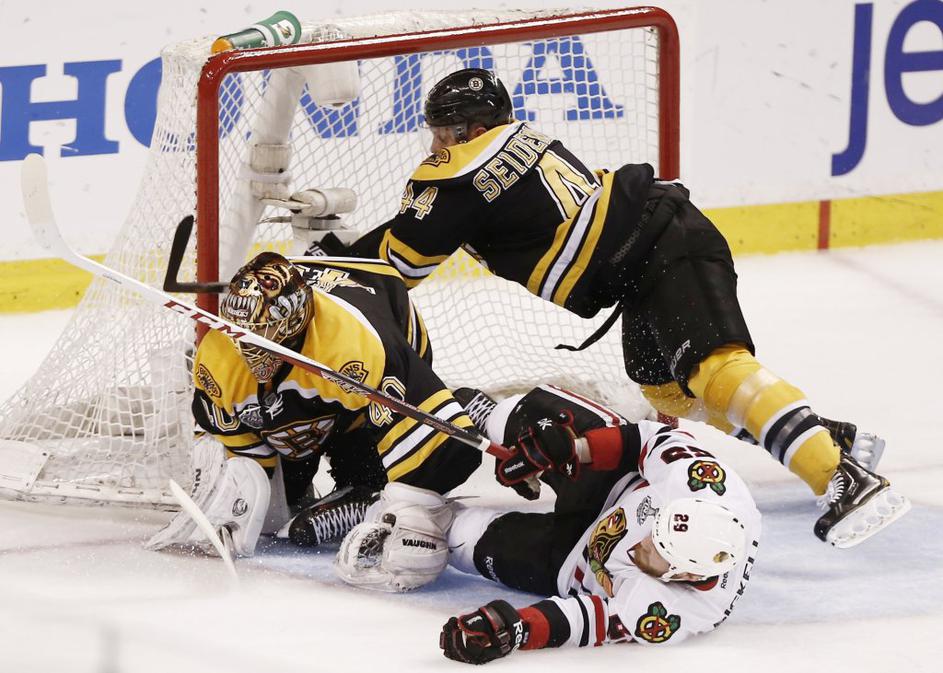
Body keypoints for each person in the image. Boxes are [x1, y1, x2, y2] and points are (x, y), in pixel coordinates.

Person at [337, 68, 909, 547]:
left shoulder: (460, 173)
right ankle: (820, 435)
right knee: (669, 393)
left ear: (475, 129)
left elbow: (397, 264)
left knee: (716, 372)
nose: (437, 144)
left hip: (663, 249)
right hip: (646, 259)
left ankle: (840, 476)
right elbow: (431, 229)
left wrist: (328, 265)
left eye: (445, 132)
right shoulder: (514, 143)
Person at [333, 385, 760, 661]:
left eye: (655, 552)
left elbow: (586, 620)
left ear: (685, 576)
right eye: (654, 531)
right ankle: (492, 416)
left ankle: (368, 502)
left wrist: (516, 629)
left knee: (445, 540)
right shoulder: (706, 486)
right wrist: (571, 450)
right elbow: (644, 440)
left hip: (571, 561)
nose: (639, 543)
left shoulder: (671, 612)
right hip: (616, 486)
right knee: (536, 421)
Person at [146, 251, 485, 556]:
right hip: (314, 385)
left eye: (263, 332)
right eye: (242, 331)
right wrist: (241, 495)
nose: (249, 348)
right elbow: (240, 454)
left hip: (382, 333)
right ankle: (355, 488)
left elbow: (450, 455)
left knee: (394, 474)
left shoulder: (356, 348)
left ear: (294, 322)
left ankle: (462, 407)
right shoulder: (219, 358)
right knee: (284, 503)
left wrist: (394, 506)